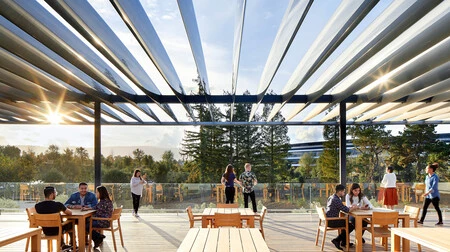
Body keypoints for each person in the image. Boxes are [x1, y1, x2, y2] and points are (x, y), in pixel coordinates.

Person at [35, 186, 73, 250]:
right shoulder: (58, 205)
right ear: (52, 194)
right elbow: (70, 213)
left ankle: (63, 245)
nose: (56, 194)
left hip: (45, 230)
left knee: (59, 224)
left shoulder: (37, 206)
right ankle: (73, 244)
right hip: (58, 230)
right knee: (71, 221)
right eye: (55, 193)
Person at [326, 184, 357, 250]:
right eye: (343, 191)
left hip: (328, 220)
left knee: (345, 222)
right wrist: (355, 207)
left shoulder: (332, 197)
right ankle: (337, 240)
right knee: (351, 225)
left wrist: (349, 207)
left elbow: (343, 208)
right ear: (340, 192)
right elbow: (347, 210)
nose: (344, 193)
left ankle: (344, 242)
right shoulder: (336, 200)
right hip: (332, 221)